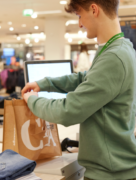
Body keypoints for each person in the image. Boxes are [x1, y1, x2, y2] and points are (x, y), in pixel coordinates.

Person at [22, 0, 136, 180]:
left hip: (110, 174)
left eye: (79, 15)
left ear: (94, 9)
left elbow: (68, 111)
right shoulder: (118, 49)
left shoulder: (114, 57)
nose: (80, 24)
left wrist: (32, 100)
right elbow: (85, 78)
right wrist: (45, 83)